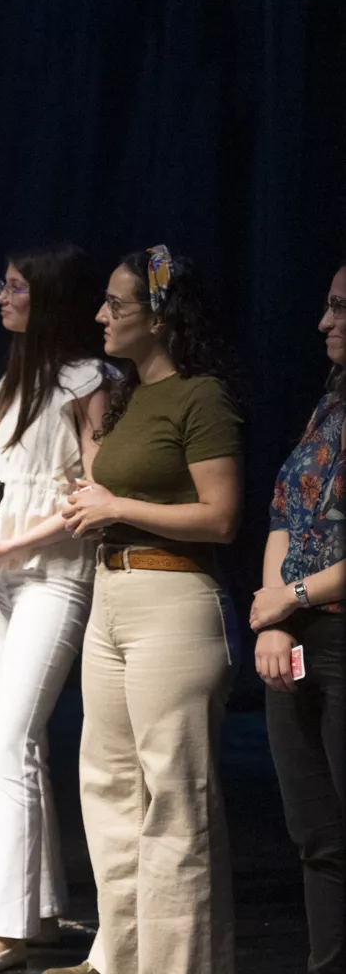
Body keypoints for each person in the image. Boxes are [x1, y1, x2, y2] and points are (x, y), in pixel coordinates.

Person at [57, 246, 243, 974]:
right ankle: (119, 960)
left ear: (159, 318)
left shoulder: (203, 397)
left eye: (116, 304)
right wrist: (94, 506)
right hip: (111, 594)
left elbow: (221, 517)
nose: (101, 315)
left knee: (176, 801)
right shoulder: (130, 396)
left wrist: (117, 505)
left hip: (173, 600)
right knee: (107, 788)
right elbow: (112, 489)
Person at [0, 244, 107, 973]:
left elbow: (91, 499)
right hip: (3, 582)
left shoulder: (90, 382)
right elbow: (7, 484)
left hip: (55, 578)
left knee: (9, 740)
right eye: (2, 284)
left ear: (47, 298)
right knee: (19, 745)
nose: (1, 297)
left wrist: (14, 546)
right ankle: (33, 914)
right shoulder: (16, 378)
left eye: (14, 287)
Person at [252, 263, 345, 974]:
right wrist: (275, 618)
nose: (324, 323)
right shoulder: (328, 409)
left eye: (341, 308)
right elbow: (286, 510)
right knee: (316, 833)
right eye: (325, 304)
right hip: (302, 635)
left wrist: (297, 598)